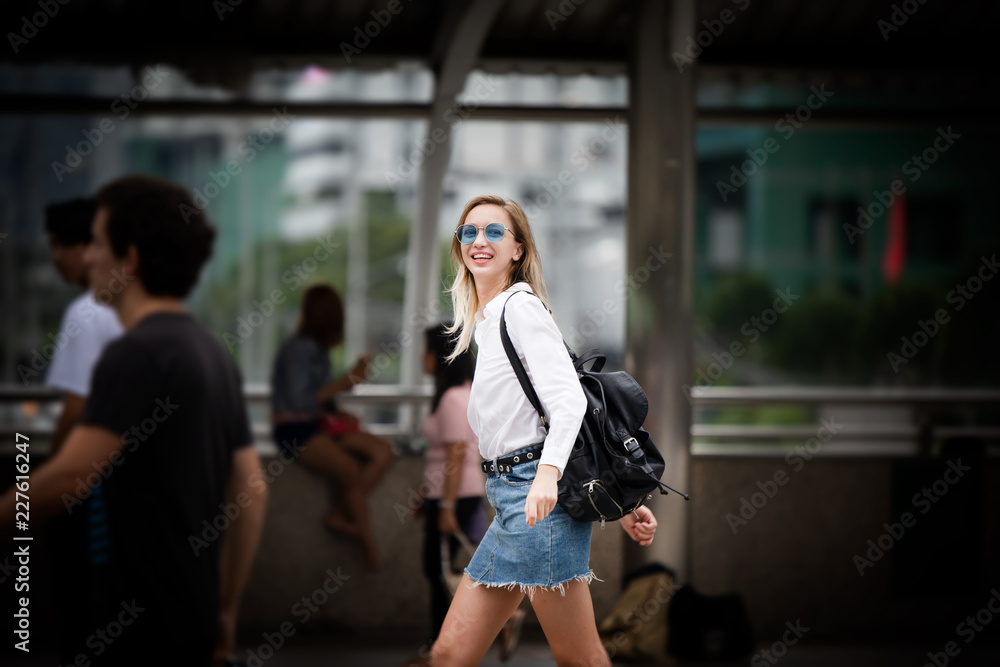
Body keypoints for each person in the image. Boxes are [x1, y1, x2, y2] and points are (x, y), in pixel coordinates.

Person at [1, 174, 268, 667]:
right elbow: (252, 488)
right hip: (192, 617)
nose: (87, 258)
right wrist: (226, 609)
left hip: (133, 626)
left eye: (99, 244)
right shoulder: (210, 351)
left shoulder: (135, 355)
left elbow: (70, 474)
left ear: (131, 259)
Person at [430, 195, 659, 667]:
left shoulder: (520, 310)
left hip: (536, 504)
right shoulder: (492, 319)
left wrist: (548, 475)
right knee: (450, 654)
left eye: (495, 231)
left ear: (518, 249)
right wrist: (623, 504)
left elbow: (570, 402)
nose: (479, 241)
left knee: (580, 658)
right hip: (514, 500)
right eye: (468, 232)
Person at [39, 196, 124, 665]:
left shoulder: (86, 313)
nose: (55, 257)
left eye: (59, 245)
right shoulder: (124, 310)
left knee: (80, 599)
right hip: (121, 482)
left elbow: (76, 409)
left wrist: (52, 469)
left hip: (88, 481)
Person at [270, 282, 395, 571]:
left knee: (383, 451)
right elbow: (298, 403)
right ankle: (367, 544)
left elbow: (321, 398)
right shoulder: (296, 351)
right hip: (296, 430)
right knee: (349, 470)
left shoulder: (317, 350)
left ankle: (340, 514)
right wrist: (343, 383)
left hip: (319, 423)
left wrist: (340, 409)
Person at [407, 322, 486, 664]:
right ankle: (445, 647)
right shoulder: (458, 393)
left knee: (441, 571)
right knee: (443, 569)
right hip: (452, 494)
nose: (422, 358)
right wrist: (429, 495)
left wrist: (448, 506)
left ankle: (443, 648)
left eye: (426, 350)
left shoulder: (455, 397)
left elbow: (457, 454)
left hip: (457, 496)